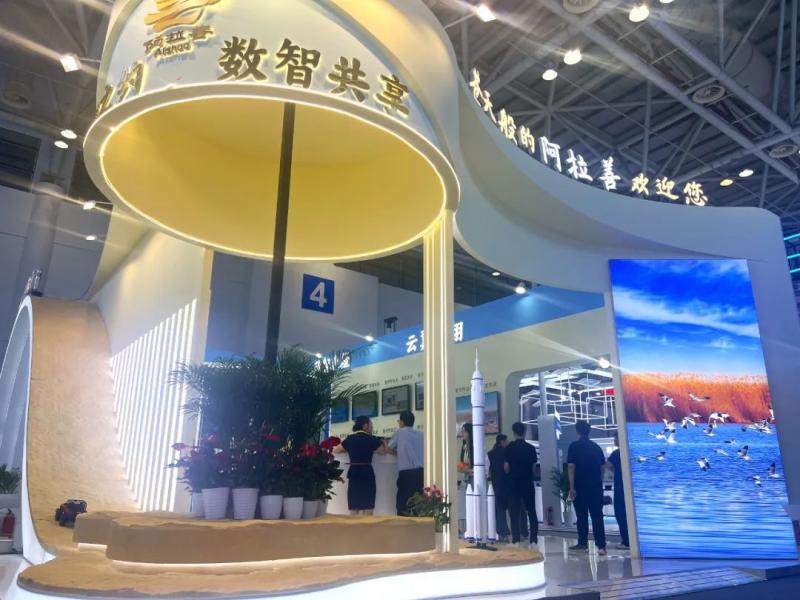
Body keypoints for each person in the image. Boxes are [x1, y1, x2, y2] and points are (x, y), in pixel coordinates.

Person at [567, 420, 607, 555]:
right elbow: (602, 468)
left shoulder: (574, 446)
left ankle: (583, 543)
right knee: (597, 516)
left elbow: (571, 467)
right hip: (595, 487)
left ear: (577, 431)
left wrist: (571, 487)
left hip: (580, 486)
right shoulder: (596, 447)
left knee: (581, 515)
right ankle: (601, 546)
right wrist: (599, 481)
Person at [336, 416, 387, 515]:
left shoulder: (350, 439)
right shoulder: (372, 439)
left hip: (354, 473)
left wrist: (349, 449)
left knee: (354, 508)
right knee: (368, 508)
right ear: (365, 426)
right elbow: (383, 452)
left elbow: (336, 450)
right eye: (371, 426)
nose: (372, 428)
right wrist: (384, 443)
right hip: (367, 474)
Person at [504, 422, 538, 546]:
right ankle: (533, 539)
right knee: (531, 511)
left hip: (513, 483)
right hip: (527, 483)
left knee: (514, 512)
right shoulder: (531, 448)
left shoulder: (509, 448)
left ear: (513, 433)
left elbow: (506, 467)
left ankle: (516, 539)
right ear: (524, 432)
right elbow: (533, 468)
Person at [387, 410, 424, 516]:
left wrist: (398, 454)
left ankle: (403, 525)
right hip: (420, 473)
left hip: (406, 474)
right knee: (418, 504)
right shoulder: (421, 434)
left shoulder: (400, 432)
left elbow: (388, 448)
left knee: (402, 505)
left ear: (402, 422)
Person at [606, 432, 629, 550]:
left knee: (621, 514)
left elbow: (608, 465)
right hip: (630, 488)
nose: (614, 440)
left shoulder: (616, 453)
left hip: (620, 488)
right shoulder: (630, 452)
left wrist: (616, 471)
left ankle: (626, 542)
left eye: (615, 438)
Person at [487, 433, 511, 542]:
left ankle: (500, 530)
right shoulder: (507, 452)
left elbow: (489, 470)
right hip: (506, 483)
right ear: (502, 442)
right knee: (507, 508)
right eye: (506, 441)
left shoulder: (490, 453)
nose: (507, 443)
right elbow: (507, 468)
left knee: (498, 508)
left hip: (495, 484)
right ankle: (505, 532)